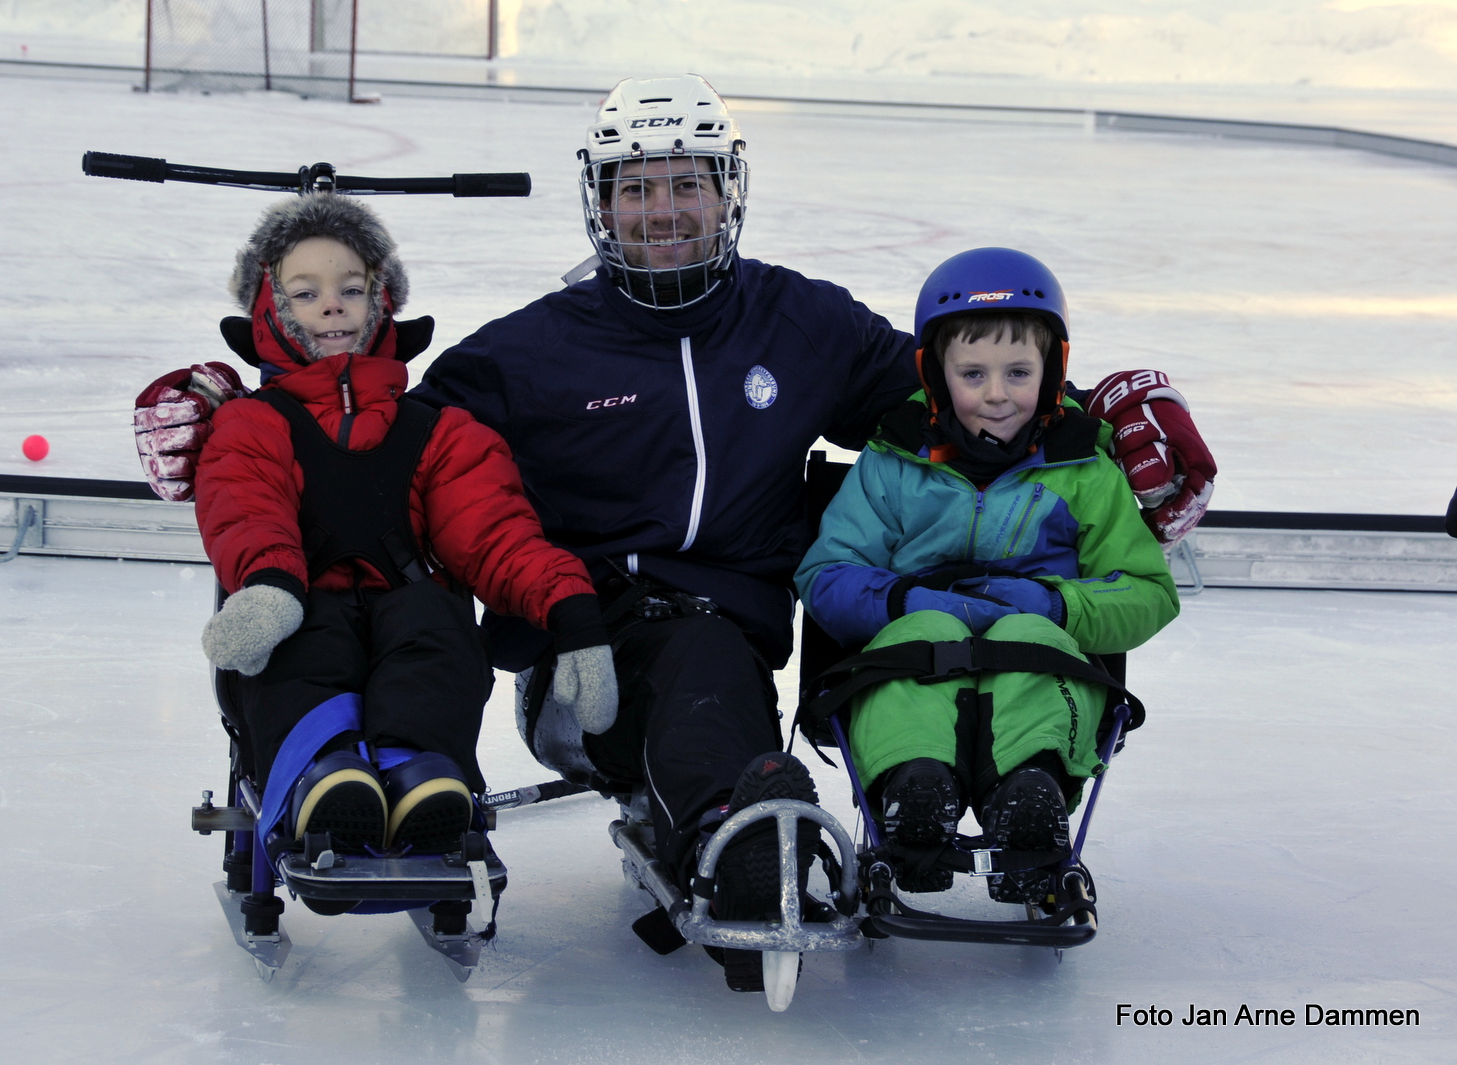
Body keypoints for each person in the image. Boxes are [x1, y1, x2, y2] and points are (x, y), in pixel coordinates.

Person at [131, 74, 1217, 991]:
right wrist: (240, 402)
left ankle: (740, 818)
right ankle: (737, 830)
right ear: (600, 204)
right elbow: (379, 433)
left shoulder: (799, 322)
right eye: (636, 187)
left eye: (685, 185)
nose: (662, 209)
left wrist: (1108, 421)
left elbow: (969, 399)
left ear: (725, 194)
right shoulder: (529, 353)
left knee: (706, 656)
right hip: (585, 641)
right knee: (682, 659)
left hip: (732, 630)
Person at [192, 194, 618, 872]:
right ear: (271, 311)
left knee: (437, 625)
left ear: (381, 301)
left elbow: (495, 532)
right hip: (302, 600)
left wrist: (570, 610)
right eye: (306, 293)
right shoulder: (254, 424)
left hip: (407, 607)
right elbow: (246, 505)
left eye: (351, 289)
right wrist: (270, 583)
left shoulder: (439, 431)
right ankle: (322, 773)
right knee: (306, 635)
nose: (332, 305)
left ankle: (420, 772)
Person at [795, 247, 1180, 903]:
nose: (996, 394)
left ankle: (1028, 794)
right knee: (920, 639)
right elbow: (826, 571)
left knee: (1032, 642)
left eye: (1018, 372)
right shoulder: (893, 460)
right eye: (973, 373)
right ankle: (914, 789)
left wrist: (1058, 606)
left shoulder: (1083, 468)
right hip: (911, 644)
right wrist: (901, 598)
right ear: (936, 374)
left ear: (1052, 371)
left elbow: (1146, 591)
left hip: (1040, 651)